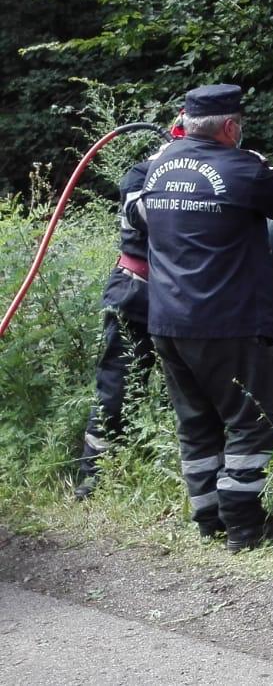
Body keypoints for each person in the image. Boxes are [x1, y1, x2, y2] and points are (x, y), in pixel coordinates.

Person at [140, 84, 273, 551]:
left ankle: (209, 518)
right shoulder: (241, 169)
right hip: (224, 321)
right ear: (229, 127)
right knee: (251, 421)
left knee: (196, 422)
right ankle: (245, 525)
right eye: (239, 124)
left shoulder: (157, 167)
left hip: (166, 320)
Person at [74, 115, 183, 500]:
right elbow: (152, 217)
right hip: (135, 292)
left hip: (184, 299)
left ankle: (185, 475)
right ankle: (94, 479)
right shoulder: (141, 175)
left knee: (191, 387)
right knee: (116, 386)